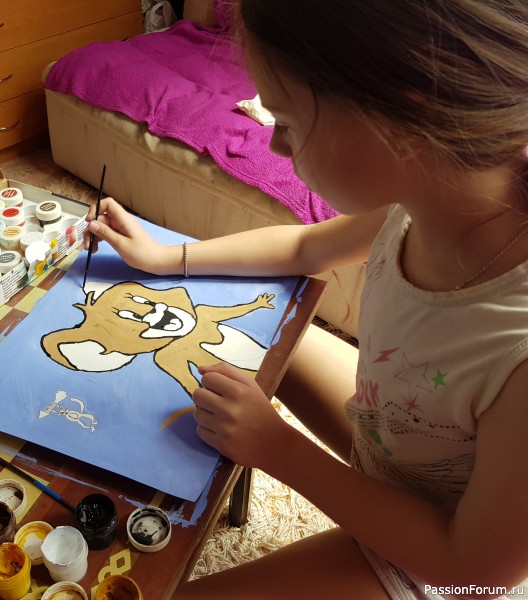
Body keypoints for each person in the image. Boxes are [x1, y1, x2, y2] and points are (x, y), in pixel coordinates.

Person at [82, 1, 528, 598]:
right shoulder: (433, 190)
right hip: (395, 431)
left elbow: (474, 565)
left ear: (399, 119)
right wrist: (167, 258)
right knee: (251, 326)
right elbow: (303, 248)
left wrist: (277, 448)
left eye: (287, 122)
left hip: (442, 556)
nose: (275, 144)